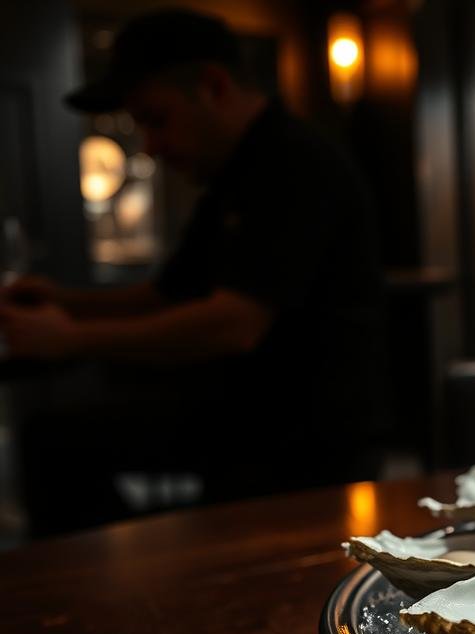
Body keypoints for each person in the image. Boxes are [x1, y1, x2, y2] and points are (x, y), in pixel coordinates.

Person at [0, 10, 387, 531]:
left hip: (301, 438)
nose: (151, 146)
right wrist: (65, 300)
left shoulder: (293, 163)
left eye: (154, 118)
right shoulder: (234, 173)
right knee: (55, 439)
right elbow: (165, 294)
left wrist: (70, 338)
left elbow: (235, 323)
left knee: (56, 443)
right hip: (243, 419)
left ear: (213, 86)